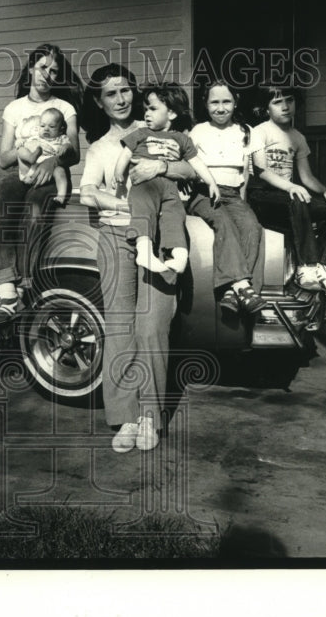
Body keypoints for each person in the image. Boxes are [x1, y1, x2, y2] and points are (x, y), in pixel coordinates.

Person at [79, 66, 195, 453]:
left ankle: (149, 414)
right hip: (115, 237)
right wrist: (124, 203)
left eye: (126, 91)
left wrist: (161, 166)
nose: (121, 100)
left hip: (160, 238)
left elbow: (190, 169)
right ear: (100, 101)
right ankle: (125, 416)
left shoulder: (166, 134)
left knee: (153, 325)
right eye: (111, 94)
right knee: (120, 328)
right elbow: (88, 193)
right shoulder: (99, 148)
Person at [0, 45, 82, 328]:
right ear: (30, 69)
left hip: (54, 174)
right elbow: (2, 159)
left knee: (35, 211)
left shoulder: (65, 108)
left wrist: (52, 163)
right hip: (20, 172)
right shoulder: (14, 109)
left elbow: (73, 151)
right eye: (42, 68)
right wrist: (25, 149)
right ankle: (6, 292)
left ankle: (26, 287)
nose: (47, 75)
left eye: (53, 71)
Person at [245, 85, 326, 296]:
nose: (285, 107)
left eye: (289, 100)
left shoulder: (298, 137)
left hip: (286, 197)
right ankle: (305, 267)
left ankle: (324, 268)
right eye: (277, 102)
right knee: (297, 199)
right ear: (266, 108)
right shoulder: (259, 131)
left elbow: (306, 177)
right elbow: (262, 171)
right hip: (261, 197)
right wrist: (292, 186)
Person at [113, 82, 218, 282]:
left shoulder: (181, 139)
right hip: (145, 185)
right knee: (143, 210)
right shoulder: (141, 134)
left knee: (175, 214)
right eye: (145, 109)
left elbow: (196, 163)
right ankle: (144, 249)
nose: (147, 114)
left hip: (170, 188)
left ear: (171, 114)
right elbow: (126, 154)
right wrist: (119, 173)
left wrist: (211, 182)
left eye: (152, 109)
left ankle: (179, 255)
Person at [186, 80, 266, 314]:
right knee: (223, 223)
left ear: (235, 102)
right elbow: (189, 164)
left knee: (252, 227)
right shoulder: (199, 131)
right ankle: (243, 286)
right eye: (215, 102)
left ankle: (232, 293)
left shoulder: (246, 132)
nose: (220, 108)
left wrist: (243, 203)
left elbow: (246, 172)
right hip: (204, 193)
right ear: (206, 104)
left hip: (233, 194)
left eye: (226, 102)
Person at [18, 107, 72, 205]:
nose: (46, 129)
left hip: (49, 172)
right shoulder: (35, 137)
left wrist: (66, 147)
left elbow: (70, 146)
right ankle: (30, 157)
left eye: (51, 126)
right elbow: (23, 141)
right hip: (31, 167)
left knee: (60, 171)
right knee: (21, 150)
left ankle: (61, 196)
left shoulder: (61, 138)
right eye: (42, 126)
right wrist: (20, 142)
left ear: (61, 129)